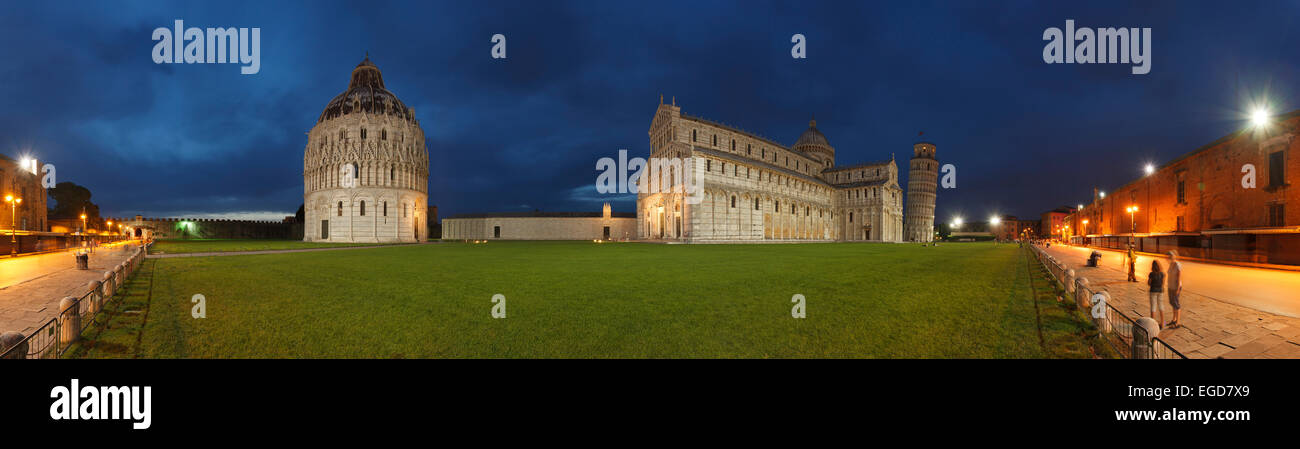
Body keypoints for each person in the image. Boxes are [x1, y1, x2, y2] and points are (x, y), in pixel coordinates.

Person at [1166, 250, 1184, 328]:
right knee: (1172, 302)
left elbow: (1179, 277)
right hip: (1170, 286)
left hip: (1176, 287)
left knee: (1176, 304)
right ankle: (1173, 319)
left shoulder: (1177, 265)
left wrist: (1177, 289)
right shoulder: (1171, 264)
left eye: (1169, 257)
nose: (1167, 259)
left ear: (1173, 257)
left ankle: (1178, 322)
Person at [1147, 260, 1165, 328]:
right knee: (1161, 306)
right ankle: (1162, 323)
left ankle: (1153, 325)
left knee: (1153, 307)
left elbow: (1149, 283)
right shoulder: (1162, 274)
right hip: (1160, 291)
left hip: (1153, 291)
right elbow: (1163, 283)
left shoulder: (1151, 274)